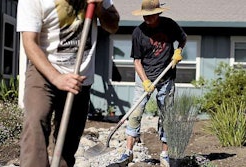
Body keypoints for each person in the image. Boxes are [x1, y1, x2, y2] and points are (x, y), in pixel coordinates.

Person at [16, 0, 119, 166]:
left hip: (80, 75)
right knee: (36, 119)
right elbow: (29, 42)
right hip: (44, 69)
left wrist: (99, 8)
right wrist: (56, 77)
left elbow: (113, 25)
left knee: (69, 136)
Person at [117, 0, 187, 166]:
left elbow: (182, 38)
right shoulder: (138, 32)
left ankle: (165, 154)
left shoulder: (169, 25)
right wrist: (146, 81)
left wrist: (178, 50)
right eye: (145, 15)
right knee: (135, 113)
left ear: (158, 13)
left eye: (151, 15)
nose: (147, 18)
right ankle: (128, 152)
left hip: (166, 76)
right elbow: (137, 62)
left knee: (167, 115)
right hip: (145, 76)